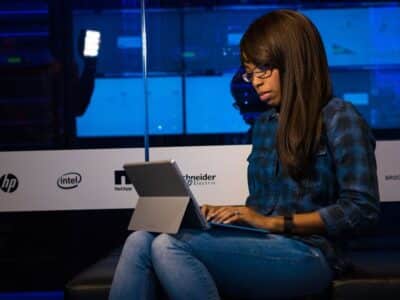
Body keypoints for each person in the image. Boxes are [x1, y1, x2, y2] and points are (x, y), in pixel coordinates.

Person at [109, 9, 380, 300]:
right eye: (251, 74)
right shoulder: (265, 124)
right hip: (263, 243)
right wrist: (233, 215)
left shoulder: (340, 118)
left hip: (311, 253)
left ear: (293, 61)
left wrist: (273, 223)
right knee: (141, 240)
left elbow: (361, 210)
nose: (255, 82)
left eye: (262, 70)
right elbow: (264, 209)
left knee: (170, 245)